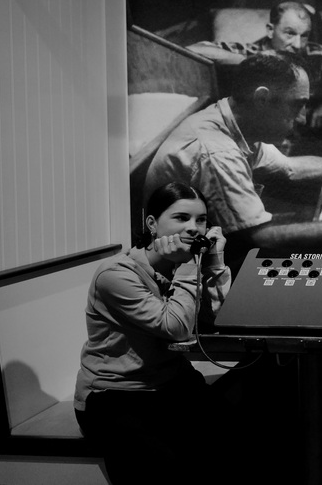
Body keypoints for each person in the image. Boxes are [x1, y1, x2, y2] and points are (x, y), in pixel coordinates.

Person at [143, 51, 322, 272]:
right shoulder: (216, 153)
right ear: (262, 98)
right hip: (182, 270)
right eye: (297, 105)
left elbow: (290, 169)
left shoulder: (233, 118)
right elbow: (263, 241)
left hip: (215, 244)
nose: (303, 118)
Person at [73, 182, 234, 483]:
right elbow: (174, 327)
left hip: (172, 384)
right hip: (117, 395)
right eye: (181, 218)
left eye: (201, 220)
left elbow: (226, 320)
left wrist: (214, 264)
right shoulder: (117, 275)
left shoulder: (183, 264)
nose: (194, 228)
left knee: (241, 442)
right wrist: (189, 267)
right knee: (167, 470)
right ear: (152, 223)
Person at [188, 1, 322, 130]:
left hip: (306, 131)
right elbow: (194, 50)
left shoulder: (316, 53)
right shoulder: (253, 52)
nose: (297, 44)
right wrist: (250, 61)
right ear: (270, 30)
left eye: (304, 36)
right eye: (289, 33)